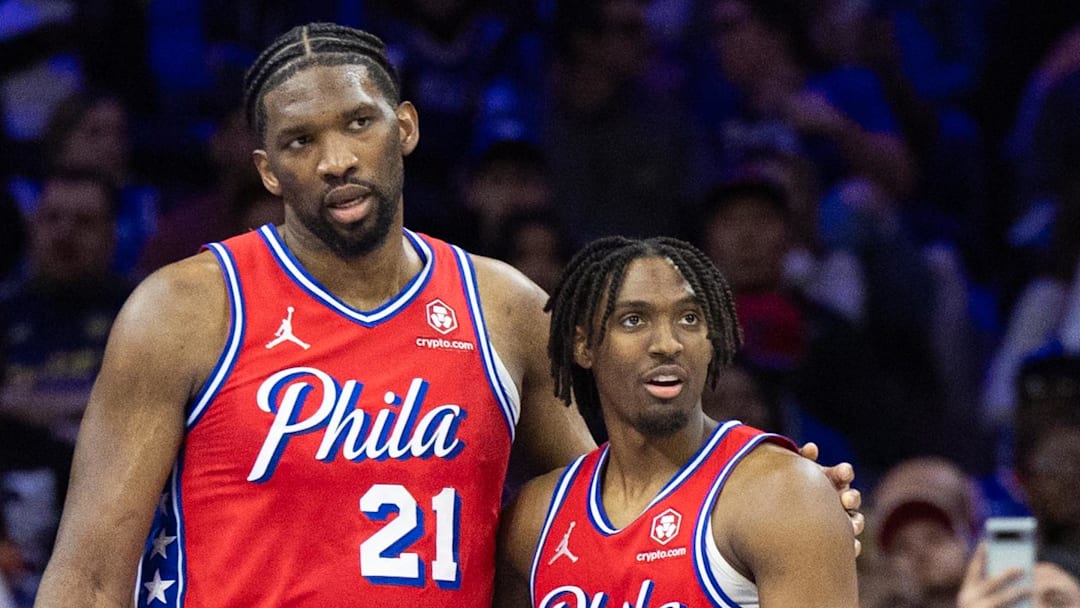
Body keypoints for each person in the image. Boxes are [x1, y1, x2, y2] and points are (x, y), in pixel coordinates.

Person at [32, 23, 860, 608]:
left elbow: (614, 515)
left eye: (358, 123)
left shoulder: (503, 310)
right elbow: (90, 580)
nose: (336, 159)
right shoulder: (184, 310)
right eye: (299, 142)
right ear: (268, 170)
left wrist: (774, 504)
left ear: (405, 128)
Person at [495, 236, 859, 607]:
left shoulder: (782, 492)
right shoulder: (533, 521)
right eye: (634, 320)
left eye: (689, 318)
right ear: (584, 346)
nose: (668, 344)